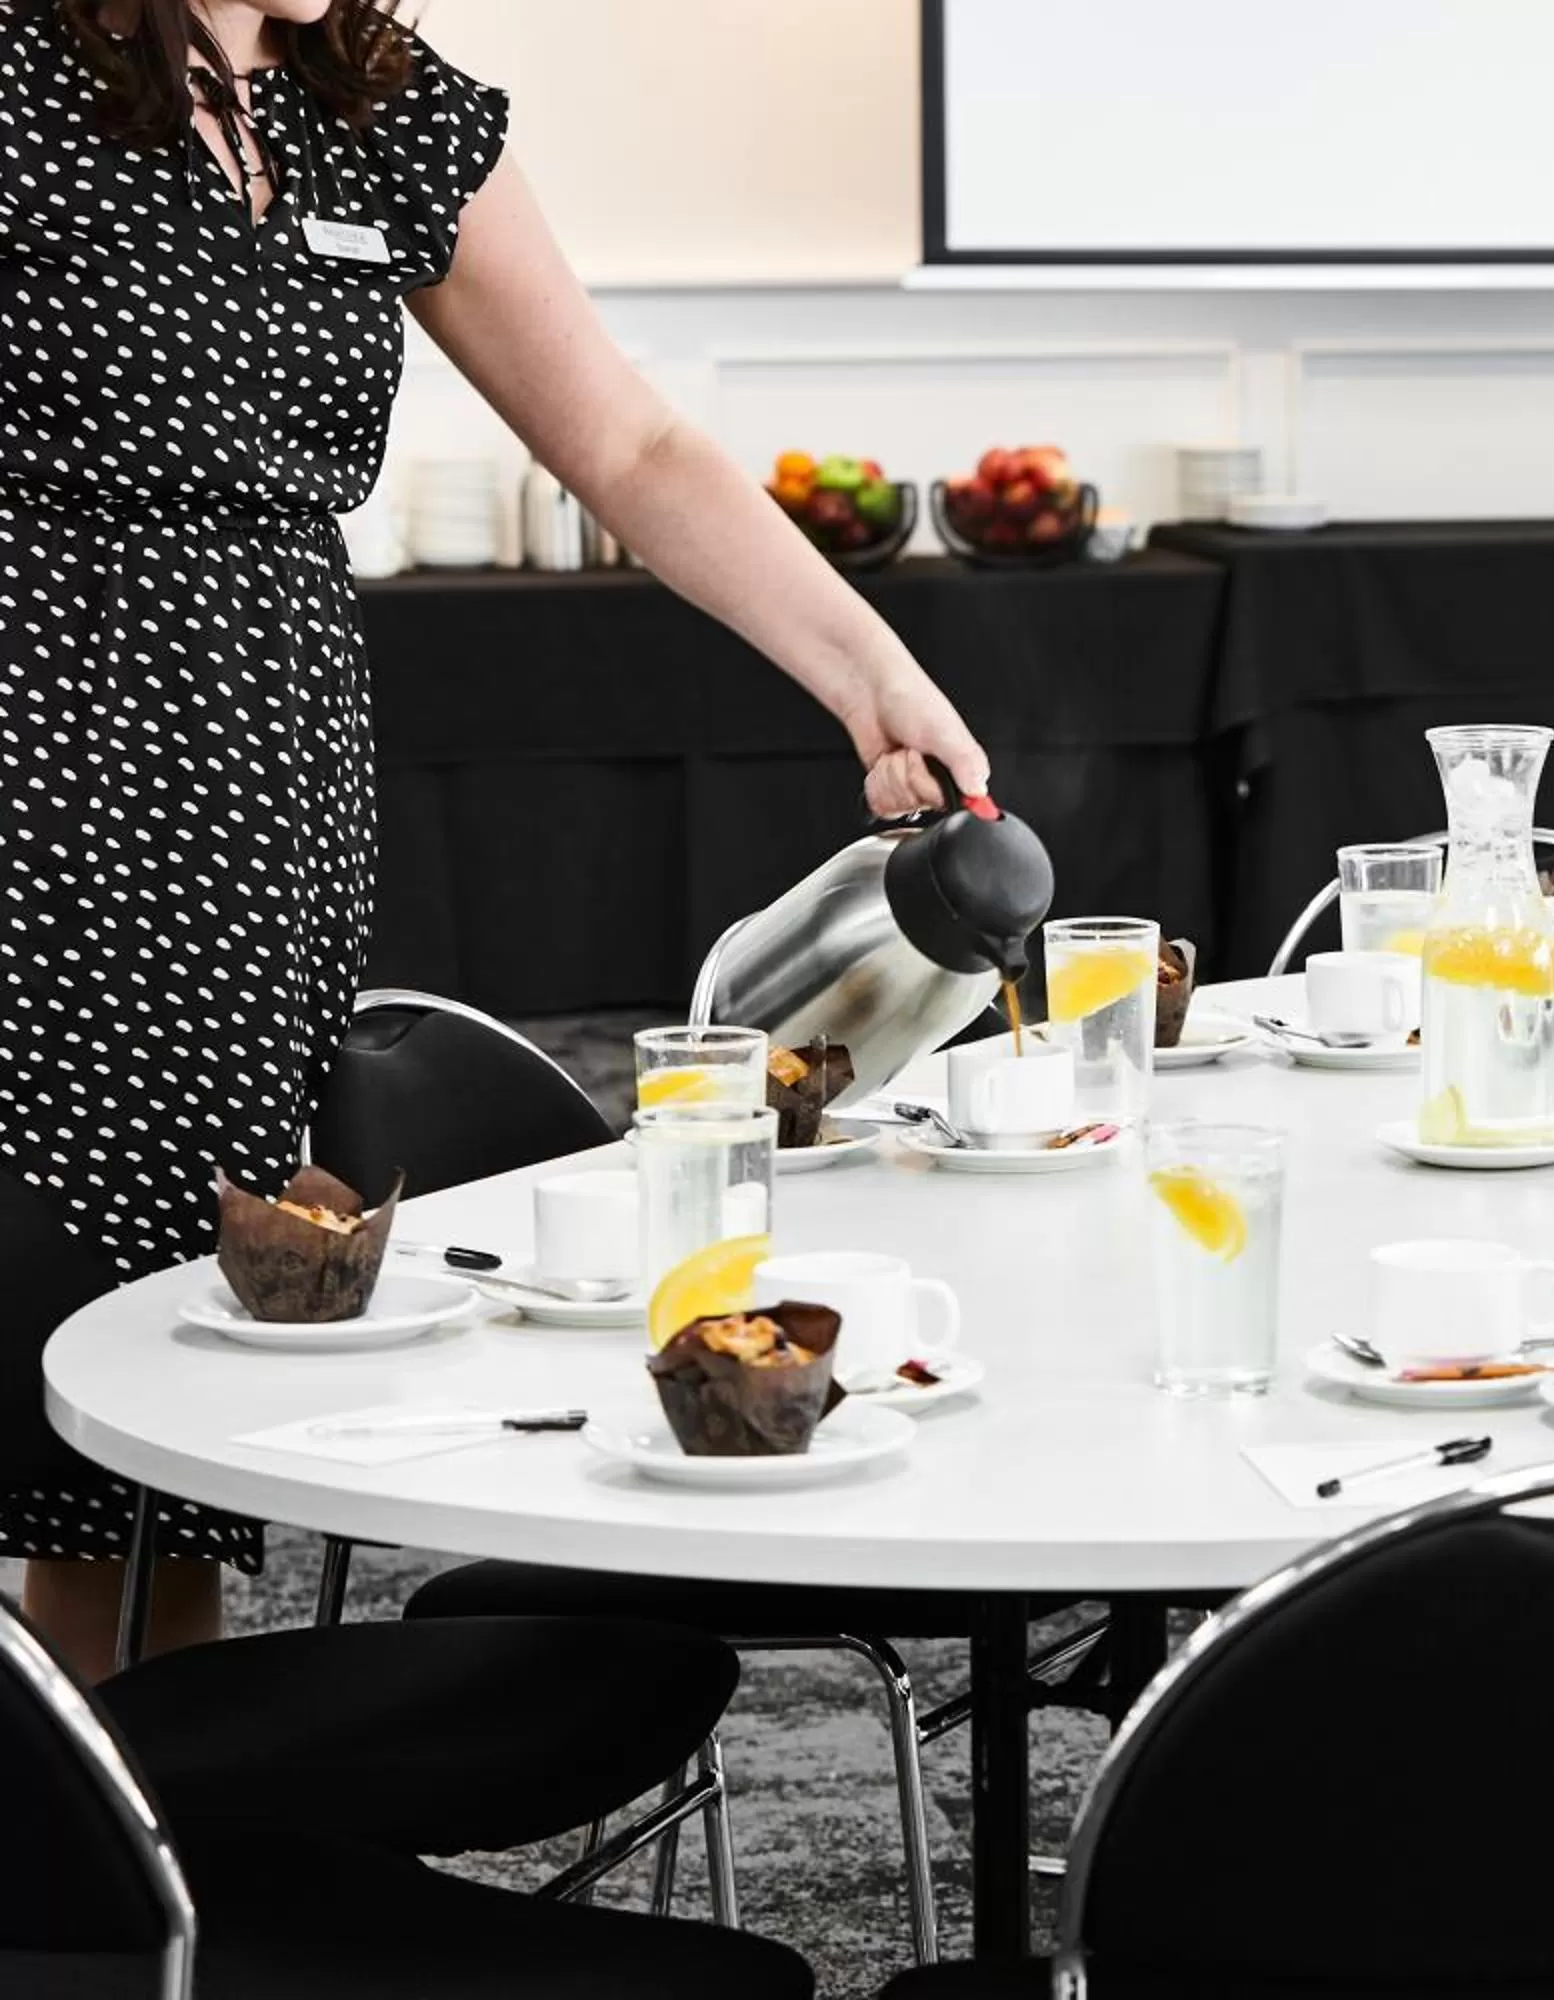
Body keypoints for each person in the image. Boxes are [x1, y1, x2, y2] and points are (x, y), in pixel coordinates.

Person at [0, 0, 992, 1676]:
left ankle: (134, 1857)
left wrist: (870, 673)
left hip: (270, 778)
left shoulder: (381, 103)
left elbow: (625, 439)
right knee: (47, 1347)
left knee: (174, 1355)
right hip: (45, 750)